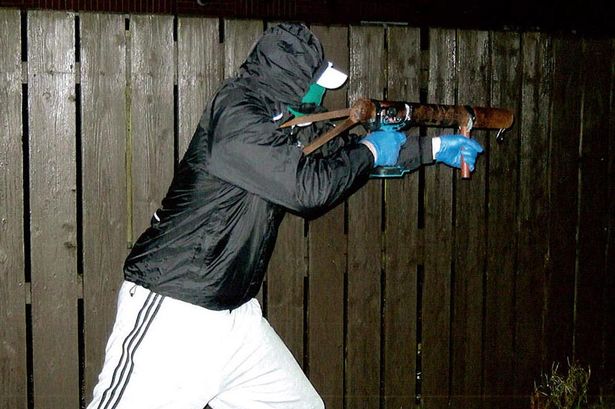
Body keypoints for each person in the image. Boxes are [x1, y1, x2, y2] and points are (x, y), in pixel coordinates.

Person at [86, 22, 483, 409]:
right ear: (288, 78)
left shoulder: (285, 123)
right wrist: (372, 151)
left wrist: (430, 148)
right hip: (176, 310)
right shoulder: (237, 118)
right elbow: (308, 190)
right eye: (314, 85)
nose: (318, 98)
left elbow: (345, 158)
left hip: (236, 319)